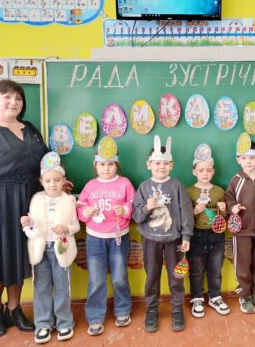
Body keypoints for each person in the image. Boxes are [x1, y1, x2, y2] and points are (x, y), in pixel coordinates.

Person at [0, 79, 49, 337]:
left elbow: (46, 161)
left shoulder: (30, 128)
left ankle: (14, 308)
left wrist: (58, 180)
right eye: (7, 97)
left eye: (18, 98)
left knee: (20, 255)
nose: (13, 102)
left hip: (30, 201)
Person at [133, 135, 193, 333]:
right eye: (157, 163)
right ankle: (151, 309)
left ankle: (177, 309)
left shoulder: (176, 185)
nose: (161, 166)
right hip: (150, 241)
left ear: (171, 165)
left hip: (173, 240)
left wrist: (186, 236)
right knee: (152, 276)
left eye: (166, 163)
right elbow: (136, 215)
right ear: (149, 164)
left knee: (176, 276)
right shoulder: (144, 187)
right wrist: (146, 208)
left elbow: (186, 211)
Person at [77, 137, 136, 336]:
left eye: (110, 164)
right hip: (95, 238)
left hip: (119, 237)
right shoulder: (90, 185)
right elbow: (80, 207)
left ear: (117, 164)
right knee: (96, 279)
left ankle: (123, 310)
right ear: (95, 165)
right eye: (102, 164)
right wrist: (85, 212)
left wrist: (125, 209)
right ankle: (95, 317)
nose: (106, 168)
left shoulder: (125, 183)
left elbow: (134, 205)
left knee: (119, 276)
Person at [20, 152, 80, 344]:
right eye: (47, 181)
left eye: (57, 180)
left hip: (61, 249)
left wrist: (66, 229)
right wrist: (27, 223)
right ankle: (43, 324)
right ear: (41, 181)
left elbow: (76, 226)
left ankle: (64, 322)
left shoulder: (68, 200)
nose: (52, 184)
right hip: (41, 250)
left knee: (62, 287)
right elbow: (31, 228)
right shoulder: (36, 199)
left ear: (64, 180)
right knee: (41, 287)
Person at [225, 133, 255, 314]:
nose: (248, 162)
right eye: (244, 158)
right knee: (243, 265)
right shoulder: (235, 180)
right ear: (238, 159)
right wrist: (233, 208)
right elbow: (228, 199)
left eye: (252, 158)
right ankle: (245, 295)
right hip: (241, 231)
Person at [186, 143, 230, 318]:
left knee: (215, 268)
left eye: (209, 170)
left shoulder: (219, 191)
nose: (205, 173)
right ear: (194, 172)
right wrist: (195, 211)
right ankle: (197, 297)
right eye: (201, 170)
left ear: (213, 172)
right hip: (196, 235)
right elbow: (185, 217)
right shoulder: (189, 191)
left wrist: (224, 210)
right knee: (196, 269)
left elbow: (223, 217)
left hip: (217, 235)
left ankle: (215, 296)